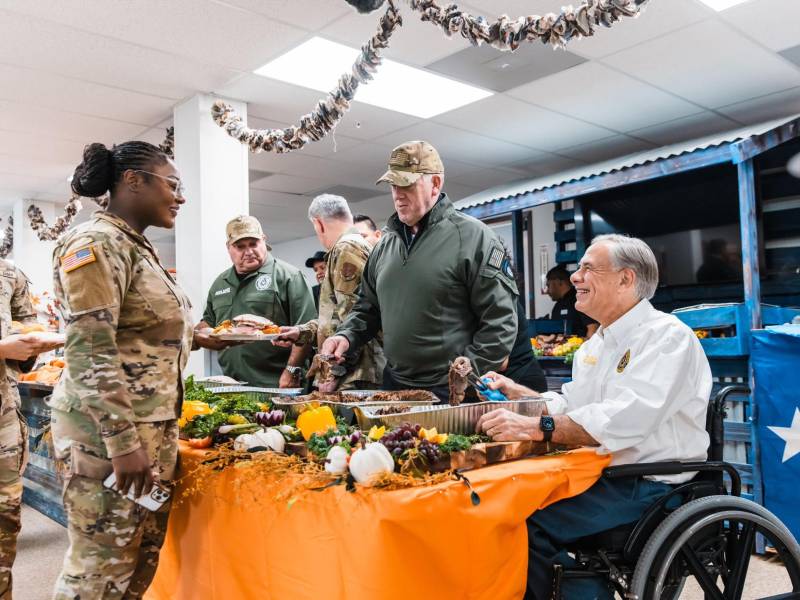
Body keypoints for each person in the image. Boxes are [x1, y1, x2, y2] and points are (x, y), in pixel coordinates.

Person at [476, 234, 711, 600]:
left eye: (588, 267)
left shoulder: (667, 337)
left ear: (625, 279)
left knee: (524, 524)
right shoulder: (598, 344)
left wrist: (538, 427)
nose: (574, 277)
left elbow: (624, 419)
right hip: (598, 471)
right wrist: (520, 395)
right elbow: (574, 405)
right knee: (506, 503)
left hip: (650, 483)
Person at [49, 141, 194, 599]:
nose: (180, 196)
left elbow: (142, 328)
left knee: (136, 565)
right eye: (173, 184)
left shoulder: (137, 247)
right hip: (109, 436)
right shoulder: (95, 244)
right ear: (133, 180)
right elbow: (90, 349)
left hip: (148, 431)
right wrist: (122, 442)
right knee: (98, 571)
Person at [322, 141, 518, 402]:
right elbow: (367, 308)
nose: (398, 194)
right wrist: (346, 337)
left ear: (435, 184)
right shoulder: (385, 245)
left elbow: (501, 322)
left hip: (451, 391)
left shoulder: (474, 238)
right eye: (393, 185)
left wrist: (465, 376)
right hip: (394, 386)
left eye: (407, 184)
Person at [274, 195, 385, 391]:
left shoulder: (346, 247)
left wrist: (334, 372)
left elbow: (353, 319)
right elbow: (337, 316)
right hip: (357, 371)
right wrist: (302, 332)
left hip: (356, 375)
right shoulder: (353, 246)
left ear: (319, 224)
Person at [194, 216, 316, 388]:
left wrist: (292, 370)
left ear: (264, 241)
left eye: (253, 243)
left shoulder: (288, 276)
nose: (249, 251)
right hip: (232, 383)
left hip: (277, 383)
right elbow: (210, 321)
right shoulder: (221, 282)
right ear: (229, 247)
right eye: (240, 246)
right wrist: (193, 333)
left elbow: (307, 328)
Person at [0, 262, 62, 599]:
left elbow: (27, 324)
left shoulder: (10, 274)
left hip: (4, 422)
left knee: (5, 524)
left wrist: (31, 346)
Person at [546, 265, 598, 338]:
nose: (547, 291)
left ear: (558, 282)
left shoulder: (580, 298)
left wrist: (587, 348)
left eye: (548, 285)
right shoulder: (557, 307)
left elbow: (593, 328)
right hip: (561, 348)